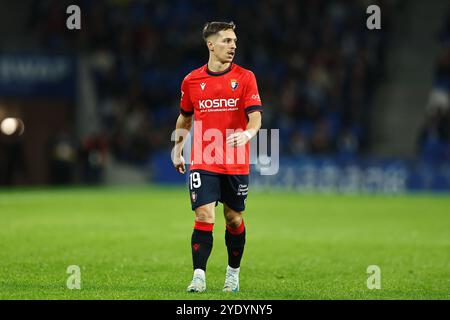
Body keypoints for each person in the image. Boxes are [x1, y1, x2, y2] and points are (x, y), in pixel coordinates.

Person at [172, 21, 263, 293]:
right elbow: (185, 118)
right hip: (204, 158)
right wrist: (177, 148)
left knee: (233, 218)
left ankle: (232, 274)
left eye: (234, 41)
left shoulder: (246, 77)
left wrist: (247, 135)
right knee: (204, 214)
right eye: (226, 40)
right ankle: (198, 276)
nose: (232, 45)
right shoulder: (192, 80)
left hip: (235, 161)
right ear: (211, 45)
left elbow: (256, 117)